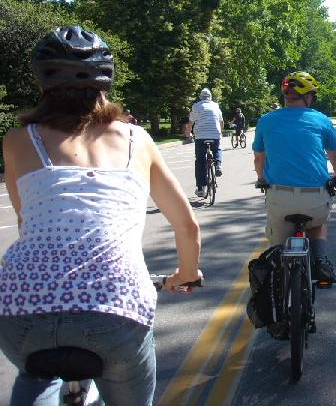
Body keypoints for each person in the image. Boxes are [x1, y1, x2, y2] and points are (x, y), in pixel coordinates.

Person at [0, 25, 202, 406]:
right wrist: (187, 274)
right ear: (105, 81)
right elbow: (186, 225)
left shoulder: (16, 140)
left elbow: (27, 222)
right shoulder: (136, 140)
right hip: (115, 307)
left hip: (21, 305)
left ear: (42, 83)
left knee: (35, 372)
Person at [253, 71, 336, 287]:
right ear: (308, 97)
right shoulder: (321, 120)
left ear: (286, 96)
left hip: (280, 197)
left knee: (276, 247)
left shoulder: (266, 121)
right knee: (317, 225)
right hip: (314, 198)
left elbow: (259, 158)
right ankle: (320, 261)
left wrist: (261, 179)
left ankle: (277, 283)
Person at [187, 87, 224, 198]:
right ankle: (218, 165)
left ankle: (200, 188)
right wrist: (220, 133)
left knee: (200, 161)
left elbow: (191, 122)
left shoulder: (196, 106)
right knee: (217, 149)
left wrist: (189, 133)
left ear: (200, 97)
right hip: (215, 134)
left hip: (201, 136)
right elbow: (221, 121)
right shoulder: (216, 105)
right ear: (210, 97)